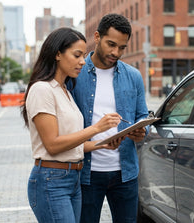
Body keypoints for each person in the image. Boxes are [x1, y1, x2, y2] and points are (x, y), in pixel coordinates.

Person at [20, 27, 124, 223]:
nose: (82, 62)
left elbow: (72, 144)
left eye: (83, 56)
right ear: (57, 54)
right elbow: (53, 144)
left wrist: (103, 143)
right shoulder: (42, 89)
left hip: (73, 179)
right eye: (77, 55)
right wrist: (96, 129)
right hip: (51, 180)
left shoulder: (65, 91)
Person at [69, 13, 149, 223]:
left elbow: (142, 115)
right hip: (87, 173)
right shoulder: (76, 74)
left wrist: (141, 131)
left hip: (125, 173)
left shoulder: (133, 76)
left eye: (122, 47)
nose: (116, 52)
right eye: (111, 44)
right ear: (97, 37)